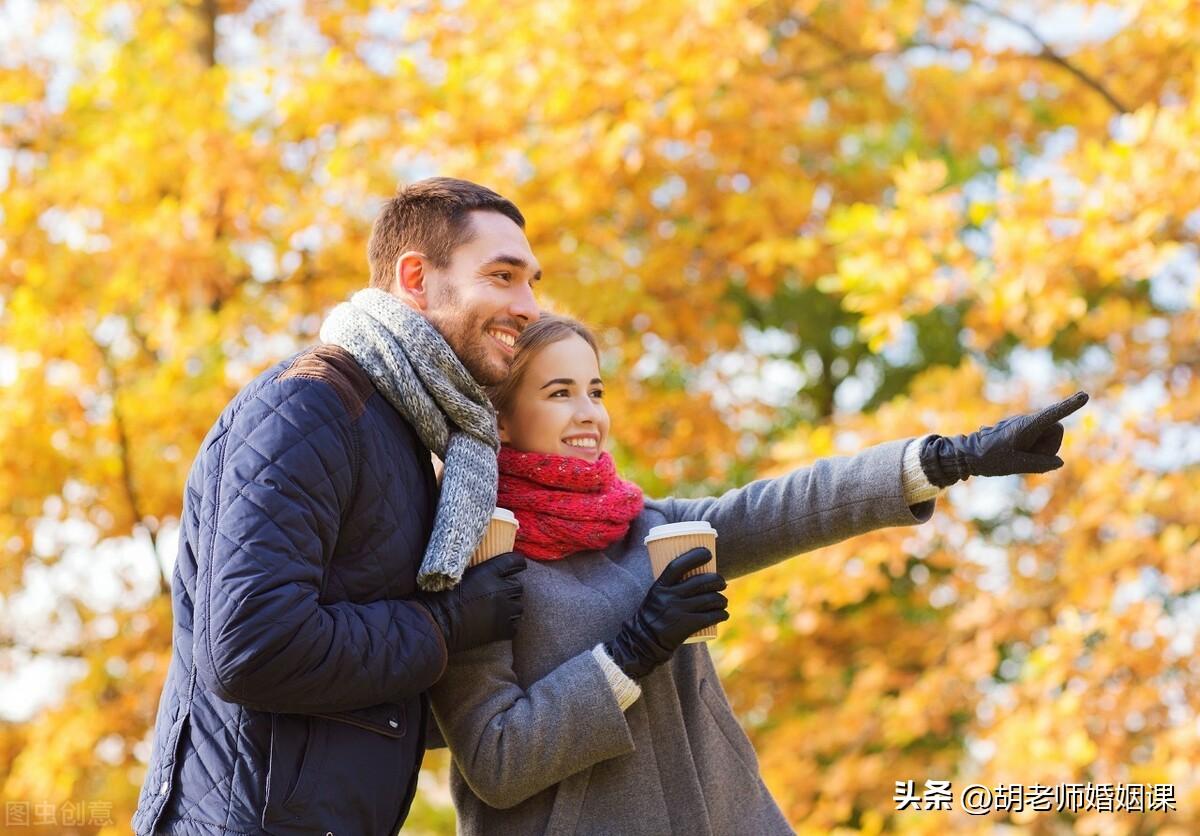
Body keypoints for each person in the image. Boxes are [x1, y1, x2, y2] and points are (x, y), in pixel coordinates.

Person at [429, 314, 1088, 835]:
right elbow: (497, 760)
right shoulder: (480, 553)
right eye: (559, 392)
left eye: (595, 390)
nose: (588, 413)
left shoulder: (647, 526)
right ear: (502, 418)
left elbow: (786, 507)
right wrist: (631, 653)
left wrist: (948, 458)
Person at [132, 177, 542, 836]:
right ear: (415, 277)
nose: (528, 307)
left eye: (531, 282)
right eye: (502, 276)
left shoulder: (409, 433)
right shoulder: (313, 406)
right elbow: (249, 645)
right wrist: (445, 627)